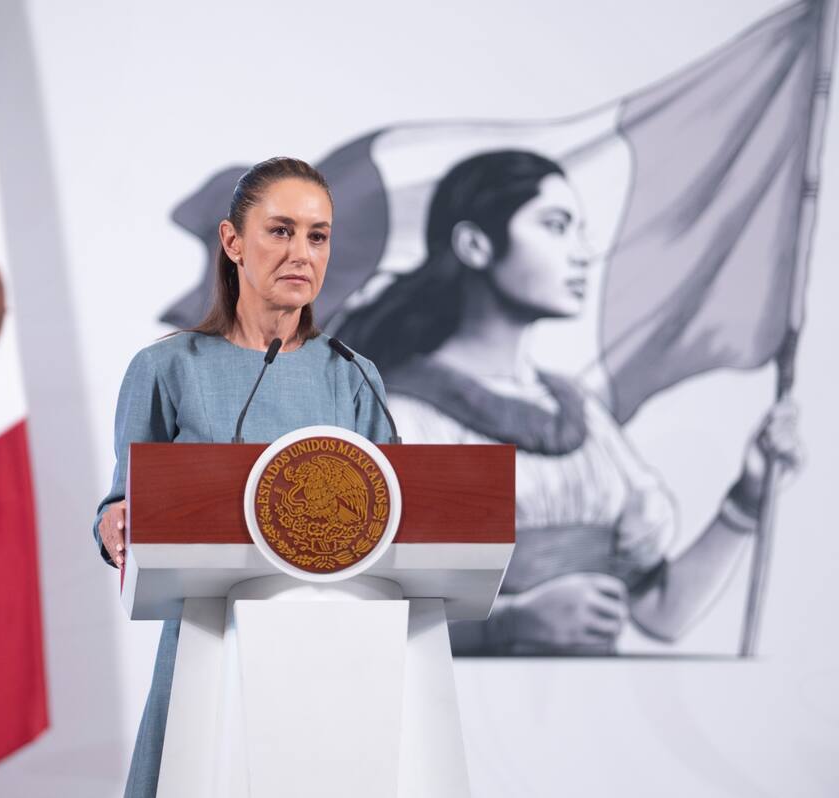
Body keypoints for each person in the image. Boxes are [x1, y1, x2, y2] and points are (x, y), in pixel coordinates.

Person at [334, 149, 802, 656]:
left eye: (580, 229)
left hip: (584, 718)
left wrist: (748, 497)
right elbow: (356, 620)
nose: (583, 252)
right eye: (556, 226)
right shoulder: (409, 417)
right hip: (469, 716)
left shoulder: (582, 416)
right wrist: (508, 624)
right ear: (474, 244)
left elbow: (660, 613)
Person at [94, 157, 392, 796]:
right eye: (280, 231)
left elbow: (399, 520)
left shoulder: (355, 376)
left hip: (330, 650)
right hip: (209, 638)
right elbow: (124, 502)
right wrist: (113, 520)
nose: (301, 253)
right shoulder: (167, 368)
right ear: (232, 242)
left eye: (318, 236)